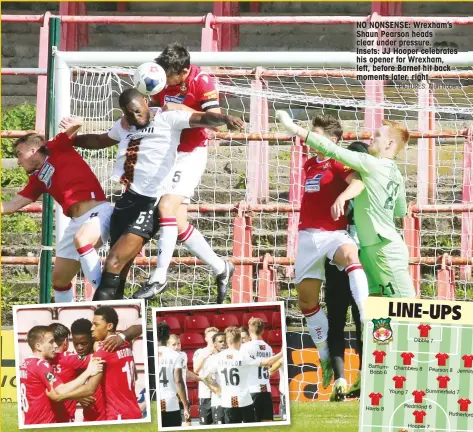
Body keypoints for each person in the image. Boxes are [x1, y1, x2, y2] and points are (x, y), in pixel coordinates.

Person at [65, 86, 243, 301]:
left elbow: (202, 118)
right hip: (127, 201)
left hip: (150, 203)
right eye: (129, 114)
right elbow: (100, 141)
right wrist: (68, 140)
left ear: (146, 103)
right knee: (117, 272)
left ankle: (150, 283)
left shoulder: (168, 119)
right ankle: (113, 322)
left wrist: (225, 118)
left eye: (138, 111)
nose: (135, 117)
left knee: (113, 262)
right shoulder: (124, 126)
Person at [277, 111, 416, 299]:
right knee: (376, 305)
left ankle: (426, 329)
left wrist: (294, 129)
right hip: (371, 248)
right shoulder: (397, 174)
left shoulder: (371, 164)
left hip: (384, 248)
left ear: (389, 144)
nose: (371, 139)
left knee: (405, 305)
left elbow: (331, 149)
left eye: (377, 136)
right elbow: (401, 210)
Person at [282, 114, 369, 389]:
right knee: (307, 303)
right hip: (307, 237)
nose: (310, 138)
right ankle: (324, 357)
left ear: (331, 141)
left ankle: (366, 314)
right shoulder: (309, 164)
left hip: (333, 234)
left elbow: (358, 182)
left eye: (315, 134)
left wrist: (343, 197)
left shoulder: (340, 159)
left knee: (351, 255)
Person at [144, 42, 234, 304]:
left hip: (190, 153)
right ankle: (221, 267)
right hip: (165, 153)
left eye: (169, 75)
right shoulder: (158, 79)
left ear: (183, 72)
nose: (165, 80)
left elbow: (216, 122)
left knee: (166, 208)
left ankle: (159, 277)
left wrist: (184, 111)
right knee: (178, 223)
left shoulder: (202, 82)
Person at [1, 121, 113, 302]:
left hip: (98, 211)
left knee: (82, 239)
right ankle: (66, 322)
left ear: (34, 150)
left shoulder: (55, 147)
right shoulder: (37, 178)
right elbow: (12, 204)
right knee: (59, 280)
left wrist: (75, 121)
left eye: (19, 154)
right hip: (77, 223)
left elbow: (77, 124)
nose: (18, 161)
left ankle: (106, 296)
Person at [325, 141, 367, 402]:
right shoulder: (368, 188)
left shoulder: (337, 186)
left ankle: (341, 381)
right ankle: (360, 378)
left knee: (337, 322)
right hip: (360, 262)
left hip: (339, 261)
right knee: (362, 319)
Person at [47, 307, 142, 420]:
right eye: (76, 344)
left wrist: (61, 397)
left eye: (96, 325)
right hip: (123, 412)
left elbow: (90, 388)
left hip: (115, 415)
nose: (80, 348)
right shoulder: (125, 344)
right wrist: (77, 396)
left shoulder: (104, 350)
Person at [19, 326, 103, 425]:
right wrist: (88, 372)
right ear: (38, 346)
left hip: (30, 422)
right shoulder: (41, 365)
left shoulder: (24, 364)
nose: (55, 345)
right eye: (51, 342)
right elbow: (61, 390)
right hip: (44, 423)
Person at [204, 327, 283, 424]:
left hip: (227, 401)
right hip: (244, 400)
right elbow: (267, 362)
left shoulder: (218, 357)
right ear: (240, 340)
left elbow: (206, 377)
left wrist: (218, 388)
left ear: (227, 341)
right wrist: (282, 353)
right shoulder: (243, 356)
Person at [49, 323, 91, 422]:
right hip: (66, 416)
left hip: (48, 417)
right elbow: (98, 358)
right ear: (66, 342)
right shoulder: (70, 358)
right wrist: (78, 395)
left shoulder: (41, 362)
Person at [240, 318, 274, 422]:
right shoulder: (268, 348)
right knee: (268, 424)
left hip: (252, 390)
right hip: (266, 390)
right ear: (263, 331)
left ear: (249, 331)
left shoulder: (246, 347)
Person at [156, 322, 190, 427]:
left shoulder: (150, 354)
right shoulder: (175, 355)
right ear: (167, 337)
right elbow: (178, 381)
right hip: (170, 402)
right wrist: (185, 406)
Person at [168, 334, 201, 426]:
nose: (177, 347)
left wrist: (200, 378)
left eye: (179, 344)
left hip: (183, 394)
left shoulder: (183, 355)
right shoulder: (166, 357)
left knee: (187, 422)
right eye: (173, 344)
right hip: (171, 395)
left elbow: (185, 372)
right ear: (168, 345)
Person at [193, 326, 219, 425]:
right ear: (206, 338)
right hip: (205, 394)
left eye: (215, 336)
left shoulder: (222, 353)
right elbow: (196, 369)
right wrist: (208, 353)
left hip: (219, 394)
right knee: (205, 425)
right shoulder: (200, 352)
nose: (213, 339)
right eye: (211, 337)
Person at [208, 332, 227, 424]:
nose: (223, 343)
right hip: (218, 402)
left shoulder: (234, 356)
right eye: (220, 341)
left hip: (232, 402)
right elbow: (206, 378)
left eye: (225, 341)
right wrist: (219, 390)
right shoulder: (213, 359)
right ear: (215, 344)